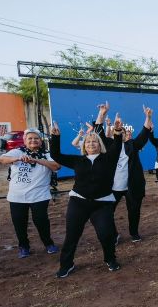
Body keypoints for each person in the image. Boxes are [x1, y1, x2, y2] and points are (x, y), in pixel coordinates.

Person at [49, 112, 123, 278]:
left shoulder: (108, 158)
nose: (91, 143)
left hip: (102, 204)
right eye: (88, 141)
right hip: (78, 202)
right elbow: (56, 156)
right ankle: (66, 265)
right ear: (84, 145)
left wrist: (117, 131)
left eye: (94, 141)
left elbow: (117, 146)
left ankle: (110, 259)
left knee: (106, 234)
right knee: (72, 235)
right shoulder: (77, 161)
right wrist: (56, 137)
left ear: (100, 144)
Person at [0, 128, 62, 258]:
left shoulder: (47, 154)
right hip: (17, 196)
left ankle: (48, 243)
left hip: (39, 195)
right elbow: (2, 159)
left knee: (41, 221)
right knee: (19, 223)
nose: (33, 140)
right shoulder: (17, 151)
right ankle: (24, 246)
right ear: (25, 140)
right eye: (30, 138)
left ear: (40, 140)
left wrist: (37, 160)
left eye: (36, 138)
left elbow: (56, 166)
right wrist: (17, 159)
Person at [93, 105, 152, 243]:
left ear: (126, 135)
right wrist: (101, 114)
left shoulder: (132, 145)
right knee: (107, 212)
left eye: (123, 132)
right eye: (117, 131)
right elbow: (98, 132)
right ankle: (114, 234)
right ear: (114, 133)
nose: (121, 134)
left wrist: (148, 117)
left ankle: (134, 233)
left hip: (132, 186)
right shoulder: (108, 145)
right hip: (112, 187)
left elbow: (144, 134)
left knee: (134, 211)